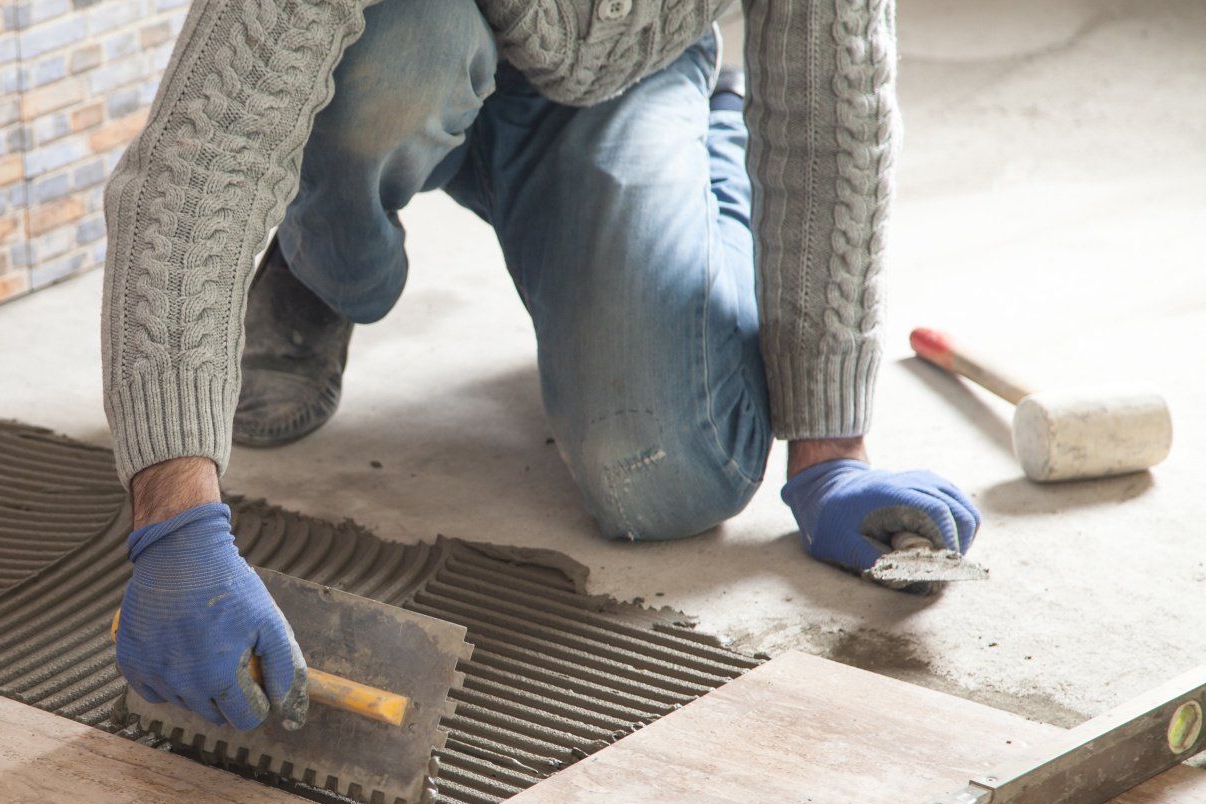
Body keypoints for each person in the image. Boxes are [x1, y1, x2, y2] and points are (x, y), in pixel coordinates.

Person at [103, 0, 980, 735]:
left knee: (673, 480)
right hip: (409, 40)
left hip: (624, 75)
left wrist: (831, 451)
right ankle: (324, 256)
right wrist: (174, 523)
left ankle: (710, 151)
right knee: (393, 71)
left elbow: (830, 116)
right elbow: (202, 154)